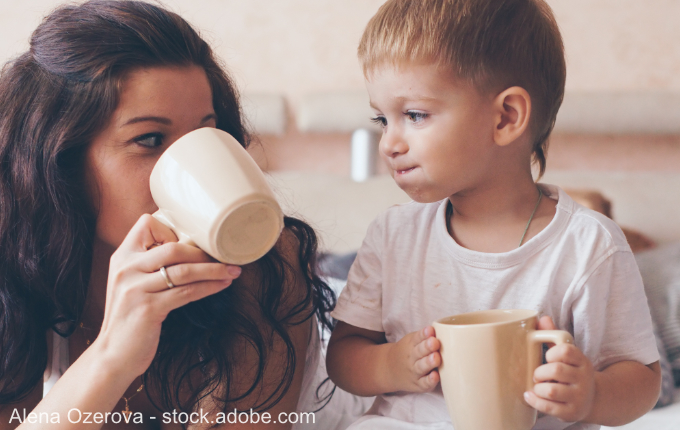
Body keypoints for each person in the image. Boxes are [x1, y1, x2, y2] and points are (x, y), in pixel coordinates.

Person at [0, 1, 338, 429]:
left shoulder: (263, 264)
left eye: (205, 133)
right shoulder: (14, 265)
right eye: (151, 139)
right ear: (60, 161)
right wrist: (113, 355)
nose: (188, 162)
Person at [326, 0, 662, 429]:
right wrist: (391, 363)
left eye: (414, 115)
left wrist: (592, 394)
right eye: (381, 119)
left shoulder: (589, 245)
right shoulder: (393, 235)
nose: (389, 143)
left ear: (506, 117)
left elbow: (642, 378)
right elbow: (343, 355)